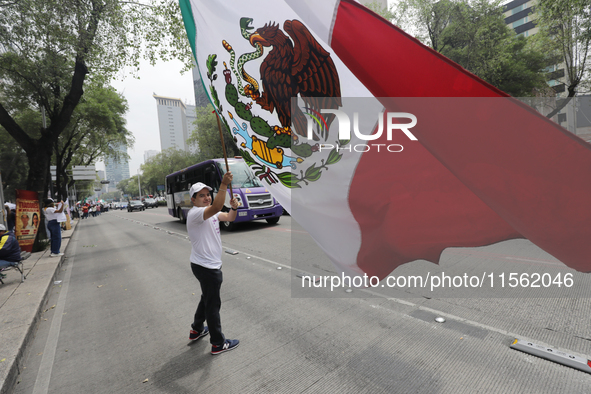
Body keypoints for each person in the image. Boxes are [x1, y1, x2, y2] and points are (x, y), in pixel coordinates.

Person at [187, 173, 240, 355]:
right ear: (193, 200)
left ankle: (196, 329)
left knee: (206, 297)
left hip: (207, 265)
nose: (206, 197)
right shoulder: (196, 213)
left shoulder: (211, 212)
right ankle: (218, 343)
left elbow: (229, 217)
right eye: (201, 195)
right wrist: (224, 184)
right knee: (212, 304)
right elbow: (217, 205)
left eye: (207, 194)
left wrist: (233, 208)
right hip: (206, 267)